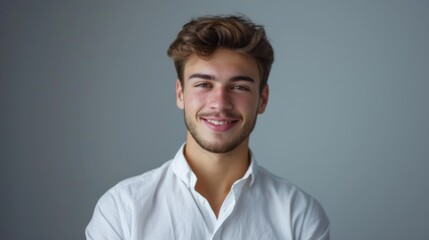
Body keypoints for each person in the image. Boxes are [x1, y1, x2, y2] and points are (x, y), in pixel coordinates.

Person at [86, 15, 329, 240]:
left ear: (262, 99)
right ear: (180, 94)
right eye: (204, 84)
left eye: (240, 87)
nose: (220, 104)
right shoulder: (121, 210)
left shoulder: (300, 217)